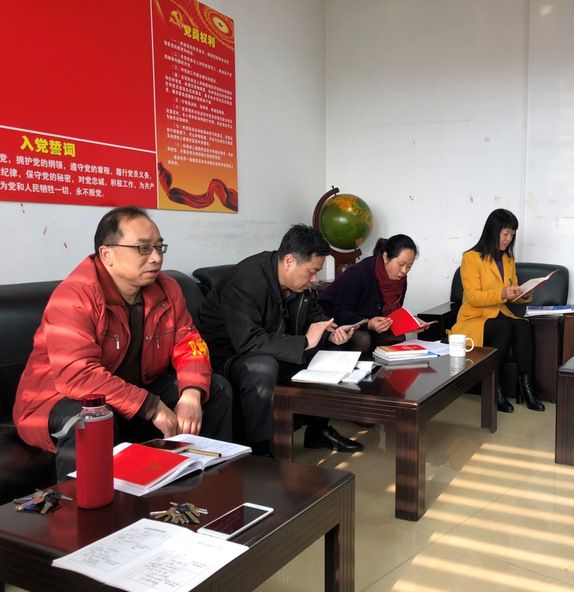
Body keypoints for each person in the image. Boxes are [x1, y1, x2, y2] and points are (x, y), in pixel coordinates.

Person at [13, 206, 233, 480]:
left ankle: (210, 484)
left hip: (131, 394)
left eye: (159, 247)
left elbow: (190, 342)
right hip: (59, 399)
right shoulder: (74, 296)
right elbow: (77, 376)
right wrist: (151, 407)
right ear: (107, 254)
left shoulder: (168, 289)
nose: (156, 257)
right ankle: (84, 505)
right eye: (143, 248)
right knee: (93, 418)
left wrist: (191, 392)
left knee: (215, 389)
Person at [196, 224, 363, 454]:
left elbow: (314, 315)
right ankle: (260, 449)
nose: (314, 279)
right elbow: (247, 341)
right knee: (264, 368)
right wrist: (305, 342)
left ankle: (318, 430)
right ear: (289, 261)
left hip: (268, 344)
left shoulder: (296, 282)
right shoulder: (245, 280)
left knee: (327, 352)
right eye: (312, 271)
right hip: (227, 355)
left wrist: (331, 332)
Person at [450, 208, 544, 413]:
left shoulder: (508, 259)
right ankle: (494, 386)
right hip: (475, 317)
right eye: (505, 234)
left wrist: (524, 293)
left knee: (524, 327)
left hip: (500, 313)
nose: (509, 239)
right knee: (504, 327)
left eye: (512, 234)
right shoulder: (471, 258)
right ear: (493, 231)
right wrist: (502, 293)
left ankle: (526, 387)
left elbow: (513, 290)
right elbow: (473, 297)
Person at [317, 234, 423, 354]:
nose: (404, 271)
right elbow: (341, 312)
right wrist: (368, 324)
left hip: (368, 324)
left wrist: (411, 322)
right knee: (363, 339)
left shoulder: (400, 280)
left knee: (397, 337)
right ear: (385, 257)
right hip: (335, 322)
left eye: (409, 266)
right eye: (401, 264)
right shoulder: (358, 273)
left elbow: (392, 315)